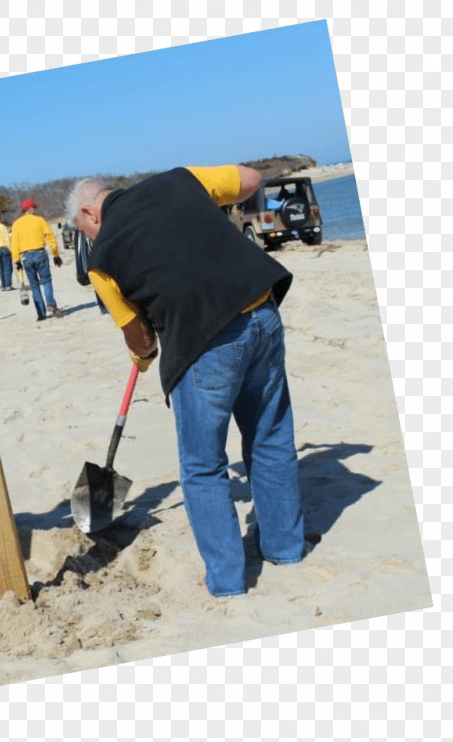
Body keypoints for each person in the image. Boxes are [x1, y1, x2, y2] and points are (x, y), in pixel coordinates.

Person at [66, 164, 307, 598]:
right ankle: (285, 548)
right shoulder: (180, 180)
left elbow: (138, 336)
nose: (88, 241)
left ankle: (228, 580)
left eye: (83, 231)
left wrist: (142, 355)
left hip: (204, 345)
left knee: (203, 465)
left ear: (91, 212)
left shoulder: (102, 262)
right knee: (270, 436)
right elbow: (251, 180)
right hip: (262, 313)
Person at [10, 198, 64, 321]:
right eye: (34, 208)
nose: (35, 210)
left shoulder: (16, 224)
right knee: (46, 281)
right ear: (29, 209)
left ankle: (41, 313)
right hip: (40, 253)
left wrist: (17, 260)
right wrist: (55, 255)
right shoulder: (39, 220)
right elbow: (51, 237)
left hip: (26, 257)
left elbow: (14, 244)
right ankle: (50, 303)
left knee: (34, 285)